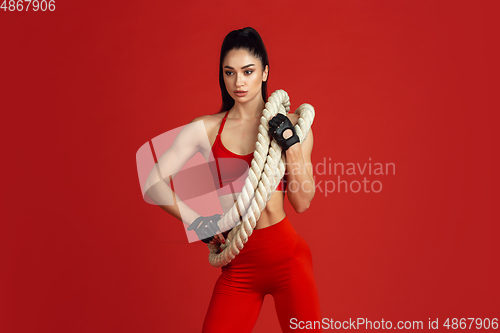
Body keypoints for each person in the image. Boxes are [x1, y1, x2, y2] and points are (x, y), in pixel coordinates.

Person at [146, 27, 321, 332]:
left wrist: (290, 145)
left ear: (265, 73)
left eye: (248, 71)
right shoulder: (207, 128)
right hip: (238, 265)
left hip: (287, 259)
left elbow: (302, 203)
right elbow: (153, 182)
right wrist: (196, 220)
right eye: (229, 72)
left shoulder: (293, 125)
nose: (238, 82)